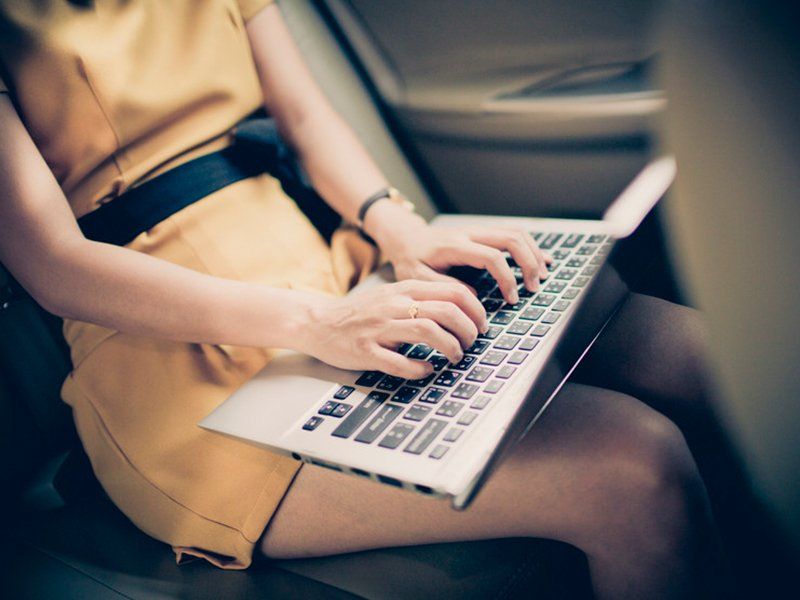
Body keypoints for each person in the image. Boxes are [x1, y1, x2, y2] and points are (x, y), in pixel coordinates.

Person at [0, 1, 730, 598]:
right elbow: (52, 264)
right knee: (635, 466)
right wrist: (317, 322)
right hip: (172, 352)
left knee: (716, 362)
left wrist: (400, 230)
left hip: (340, 268)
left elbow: (307, 121)